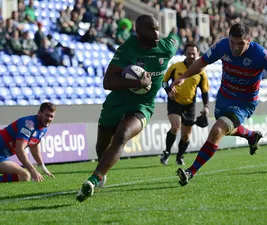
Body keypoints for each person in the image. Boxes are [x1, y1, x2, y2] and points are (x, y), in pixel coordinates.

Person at [171, 23, 267, 186]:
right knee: (224, 129)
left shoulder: (260, 54)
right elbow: (201, 62)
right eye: (233, 42)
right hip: (224, 97)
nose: (235, 47)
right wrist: (184, 77)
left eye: (240, 44)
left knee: (217, 130)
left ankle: (190, 171)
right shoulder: (222, 46)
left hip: (244, 103)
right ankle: (251, 136)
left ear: (249, 41)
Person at [76, 14, 178, 202]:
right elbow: (107, 82)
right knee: (101, 148)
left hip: (143, 105)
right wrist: (137, 82)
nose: (156, 33)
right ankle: (102, 173)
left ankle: (93, 179)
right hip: (117, 101)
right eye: (150, 30)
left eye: (157, 29)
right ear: (138, 33)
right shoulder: (127, 49)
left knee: (122, 135)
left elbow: (174, 41)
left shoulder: (166, 48)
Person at [160, 42, 209, 166]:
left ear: (198, 54)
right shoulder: (175, 67)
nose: (191, 56)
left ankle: (179, 156)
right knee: (176, 126)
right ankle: (166, 152)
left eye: (193, 54)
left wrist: (206, 107)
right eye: (189, 53)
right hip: (175, 101)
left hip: (190, 104)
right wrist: (169, 91)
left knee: (186, 135)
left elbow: (204, 91)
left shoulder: (201, 72)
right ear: (185, 54)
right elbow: (164, 81)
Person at [0, 102, 56, 182]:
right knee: (25, 175)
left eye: (52, 116)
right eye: (47, 115)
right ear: (39, 113)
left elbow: (34, 146)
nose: (49, 119)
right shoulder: (29, 125)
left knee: (24, 176)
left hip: (2, 157)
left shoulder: (43, 128)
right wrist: (33, 170)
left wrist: (42, 166)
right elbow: (19, 149)